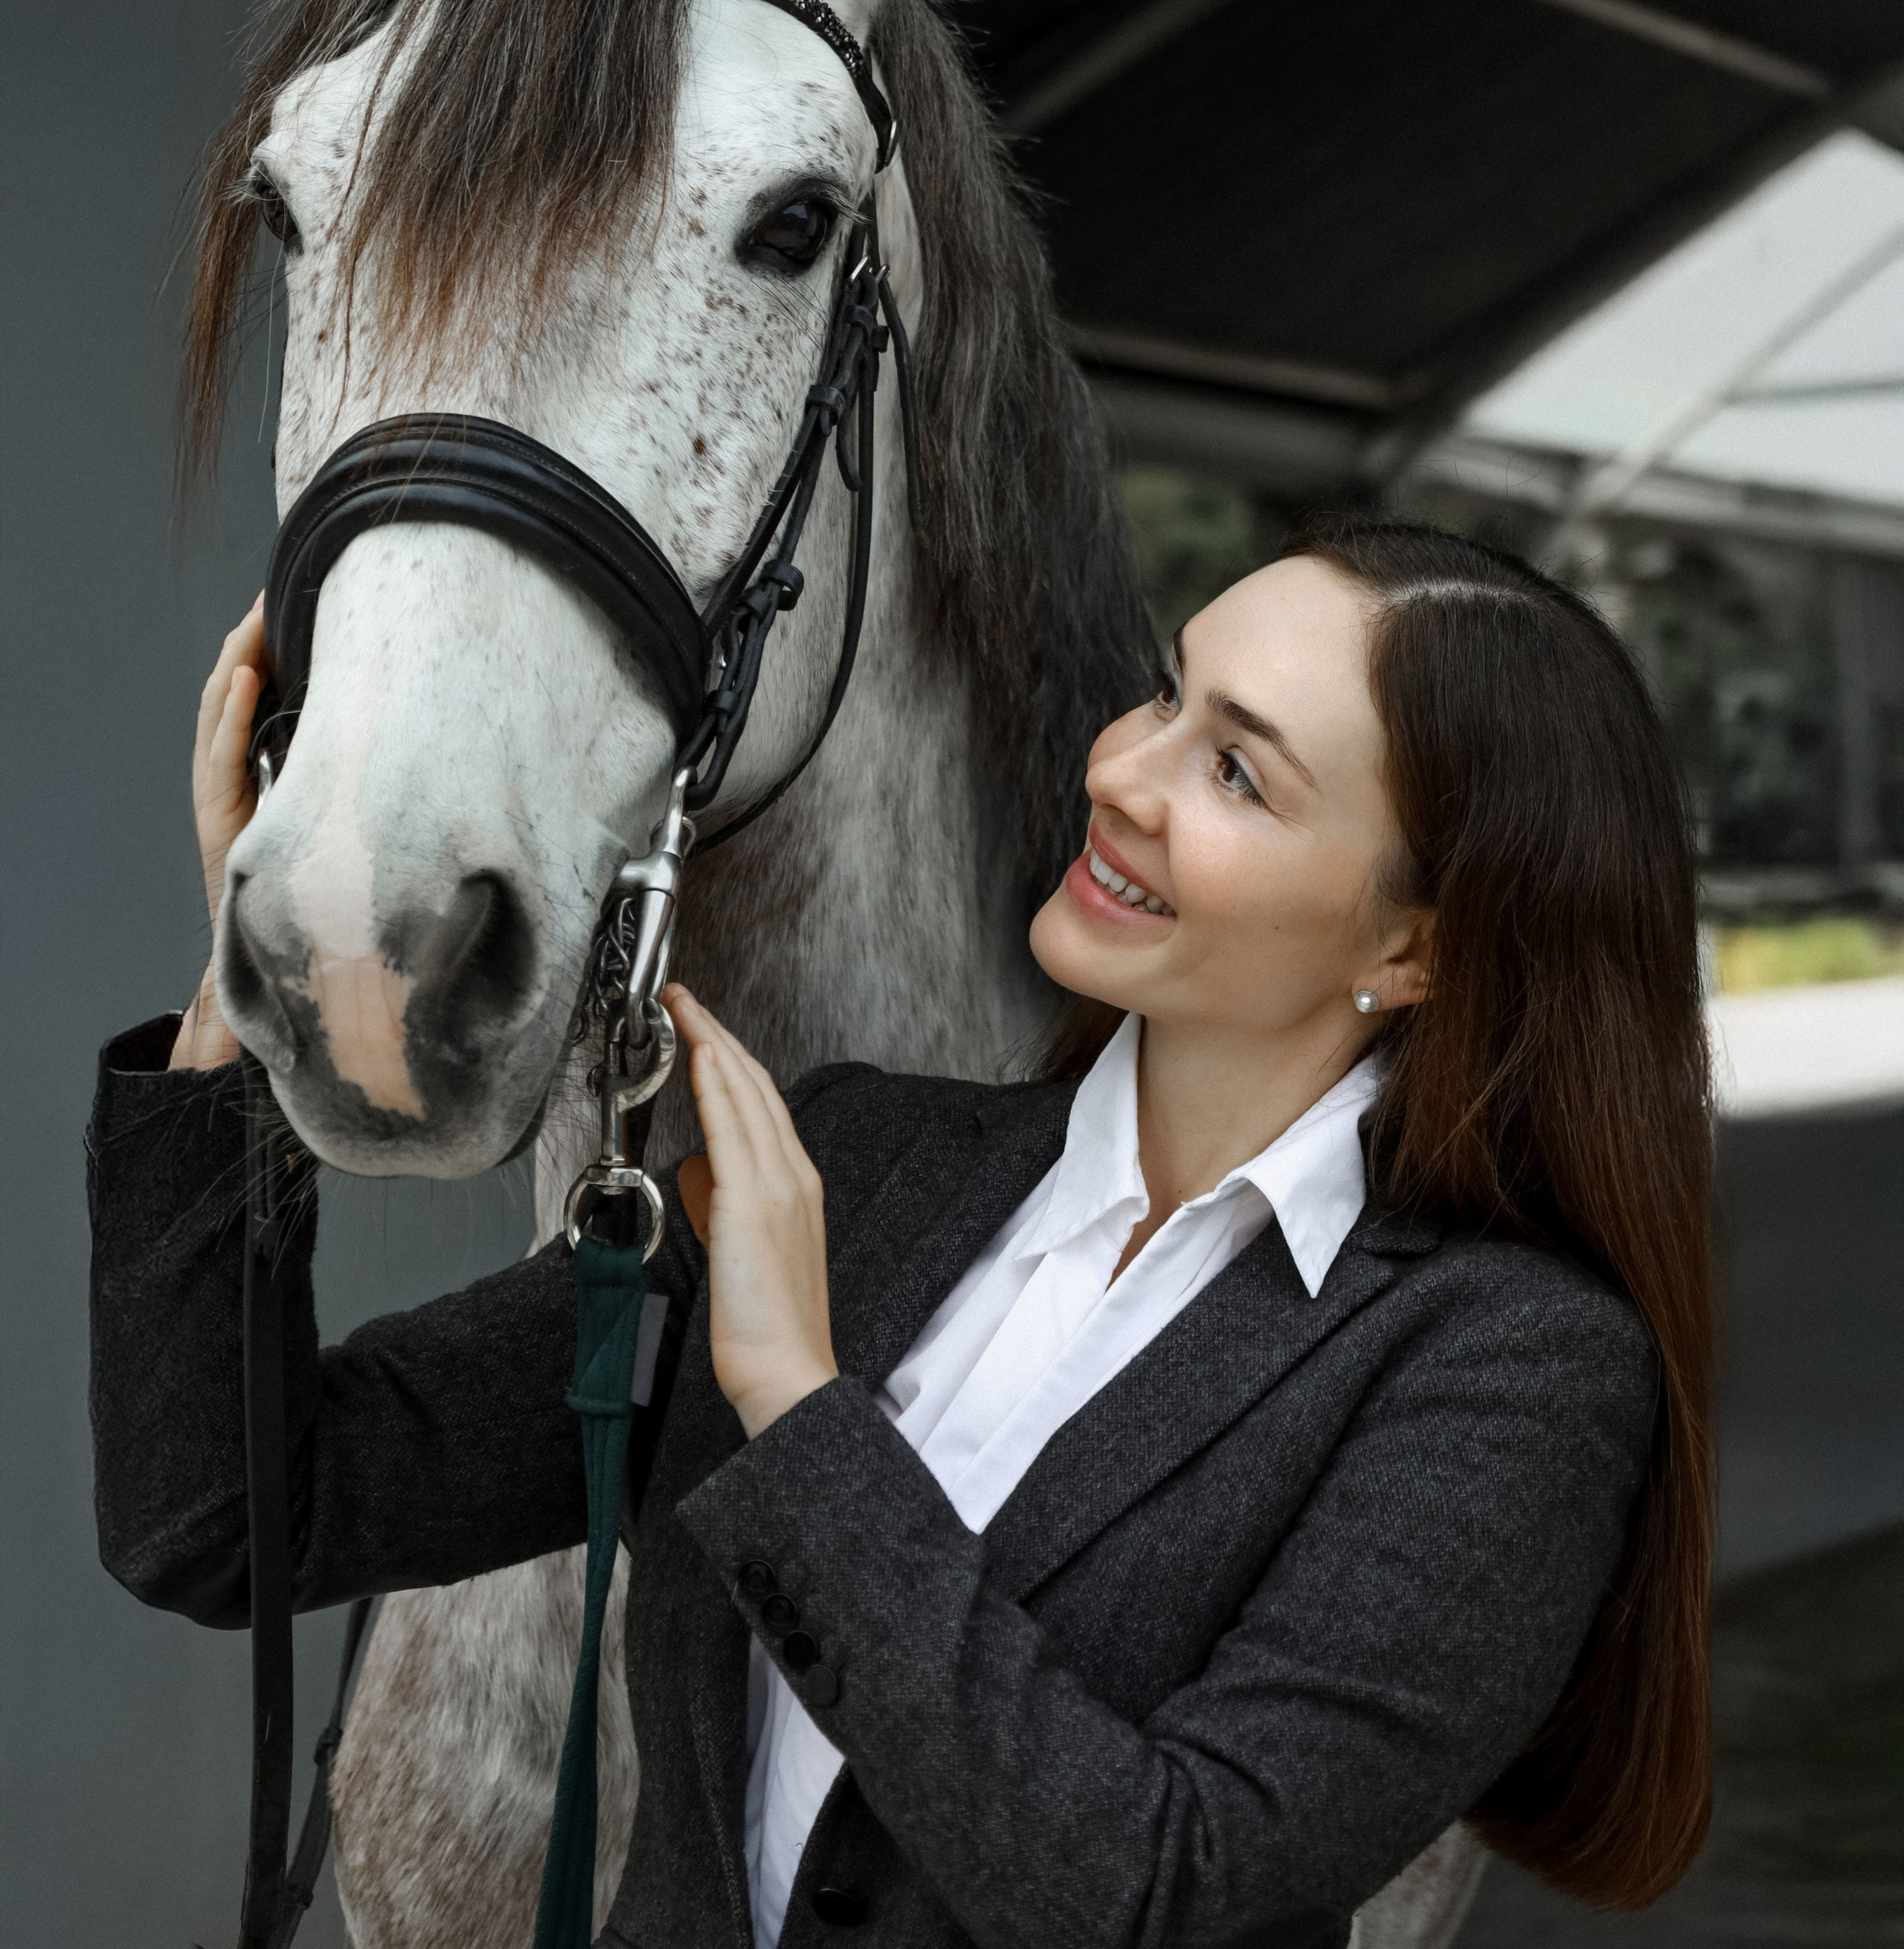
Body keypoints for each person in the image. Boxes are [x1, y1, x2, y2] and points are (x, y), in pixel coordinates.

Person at [89, 520, 1714, 1948]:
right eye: (1163, 691)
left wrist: (801, 1402)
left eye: (1233, 768)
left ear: (1414, 945)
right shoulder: (854, 1166)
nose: (1117, 771)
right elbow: (226, 1514)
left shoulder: (1513, 1368)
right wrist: (255, 959)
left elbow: (1156, 1887)